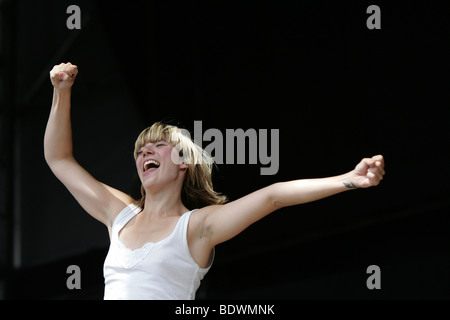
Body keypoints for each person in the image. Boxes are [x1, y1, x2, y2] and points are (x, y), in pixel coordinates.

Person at [44, 62, 386, 300]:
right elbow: (59, 159)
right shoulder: (118, 214)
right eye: (140, 149)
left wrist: (348, 180)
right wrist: (62, 91)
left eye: (158, 145)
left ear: (183, 164)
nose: (145, 150)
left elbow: (273, 197)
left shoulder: (195, 228)